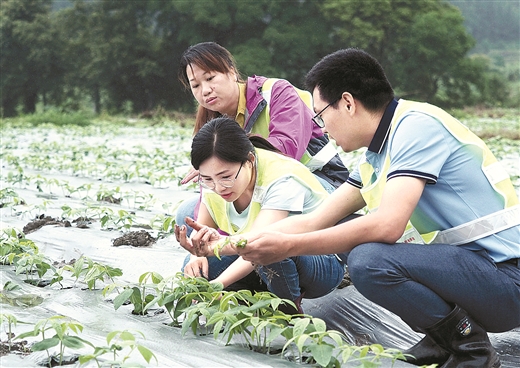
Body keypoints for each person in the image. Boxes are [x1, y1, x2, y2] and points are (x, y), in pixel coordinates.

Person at [180, 48, 520, 368]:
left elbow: (388, 226)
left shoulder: (416, 127)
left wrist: (288, 247)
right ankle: (443, 338)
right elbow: (317, 219)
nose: (322, 128)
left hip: (506, 276)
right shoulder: (376, 156)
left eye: (320, 115)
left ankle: (470, 346)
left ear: (347, 103)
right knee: (363, 250)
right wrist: (223, 245)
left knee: (370, 261)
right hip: (470, 270)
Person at [175, 42, 350, 236]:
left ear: (232, 72)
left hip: (320, 182)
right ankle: (243, 251)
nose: (205, 90)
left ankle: (247, 250)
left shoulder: (276, 92)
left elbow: (286, 151)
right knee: (187, 215)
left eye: (210, 78)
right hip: (262, 189)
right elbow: (213, 192)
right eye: (196, 85)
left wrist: (223, 154)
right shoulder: (211, 122)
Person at [174, 117, 346, 313]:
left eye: (226, 177)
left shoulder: (282, 178)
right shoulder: (214, 178)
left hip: (321, 261)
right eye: (207, 179)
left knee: (269, 252)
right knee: (198, 271)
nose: (218, 187)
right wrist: (196, 255)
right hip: (256, 254)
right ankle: (260, 298)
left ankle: (288, 310)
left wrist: (219, 284)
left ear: (250, 161)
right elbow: (203, 232)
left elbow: (257, 243)